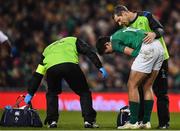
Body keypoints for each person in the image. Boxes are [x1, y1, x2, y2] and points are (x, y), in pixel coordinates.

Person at [24, 37, 108, 128]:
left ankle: (52, 121)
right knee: (84, 92)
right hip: (70, 65)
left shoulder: (47, 50)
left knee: (52, 93)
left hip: (52, 69)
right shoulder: (72, 40)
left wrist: (30, 92)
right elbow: (88, 51)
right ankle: (89, 121)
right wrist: (99, 66)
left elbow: (38, 74)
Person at [112, 5, 170, 129]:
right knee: (141, 88)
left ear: (124, 13)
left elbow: (161, 29)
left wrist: (154, 34)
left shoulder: (145, 16)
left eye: (119, 20)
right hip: (146, 59)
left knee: (161, 92)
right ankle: (141, 121)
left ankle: (164, 123)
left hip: (161, 57)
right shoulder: (126, 27)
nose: (119, 23)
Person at [96, 27, 164, 129]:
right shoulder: (119, 32)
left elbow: (134, 53)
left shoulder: (114, 41)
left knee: (132, 85)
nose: (111, 53)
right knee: (147, 86)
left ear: (107, 44)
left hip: (147, 48)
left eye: (108, 51)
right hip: (159, 47)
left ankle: (133, 122)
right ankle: (146, 122)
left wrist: (139, 57)